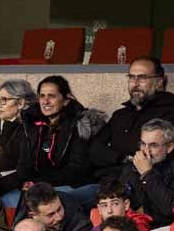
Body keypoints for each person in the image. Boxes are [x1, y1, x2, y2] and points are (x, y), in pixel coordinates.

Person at [13, 75, 105, 205]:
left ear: (66, 100)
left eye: (52, 96)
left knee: (41, 201)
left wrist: (39, 184)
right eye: (42, 96)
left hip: (70, 184)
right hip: (38, 185)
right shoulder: (31, 124)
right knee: (8, 198)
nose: (45, 101)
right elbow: (24, 164)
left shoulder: (79, 125)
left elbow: (76, 169)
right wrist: (25, 182)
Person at [92, 57, 174, 173]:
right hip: (104, 181)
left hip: (142, 184)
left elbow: (154, 157)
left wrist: (111, 156)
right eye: (131, 77)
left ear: (159, 82)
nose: (135, 83)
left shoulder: (170, 114)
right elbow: (94, 150)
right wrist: (124, 158)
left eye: (142, 78)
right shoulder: (120, 115)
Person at [116, 119, 174, 231]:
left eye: (153, 145)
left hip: (168, 230)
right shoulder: (132, 166)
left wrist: (147, 174)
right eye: (143, 144)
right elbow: (120, 200)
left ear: (170, 147)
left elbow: (170, 209)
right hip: (133, 229)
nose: (146, 151)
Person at [0, 79, 36, 197]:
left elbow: (21, 168)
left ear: (20, 103)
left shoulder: (29, 129)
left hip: (12, 185)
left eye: (4, 100)